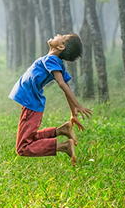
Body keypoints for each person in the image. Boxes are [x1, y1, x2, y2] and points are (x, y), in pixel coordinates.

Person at [9, 33, 92, 165]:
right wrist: (73, 113)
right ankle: (61, 130)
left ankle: (64, 147)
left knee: (23, 148)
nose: (58, 34)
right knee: (29, 138)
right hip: (31, 103)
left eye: (62, 36)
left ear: (60, 46)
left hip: (31, 104)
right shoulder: (55, 61)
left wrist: (77, 105)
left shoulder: (52, 60)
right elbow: (66, 86)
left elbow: (62, 83)